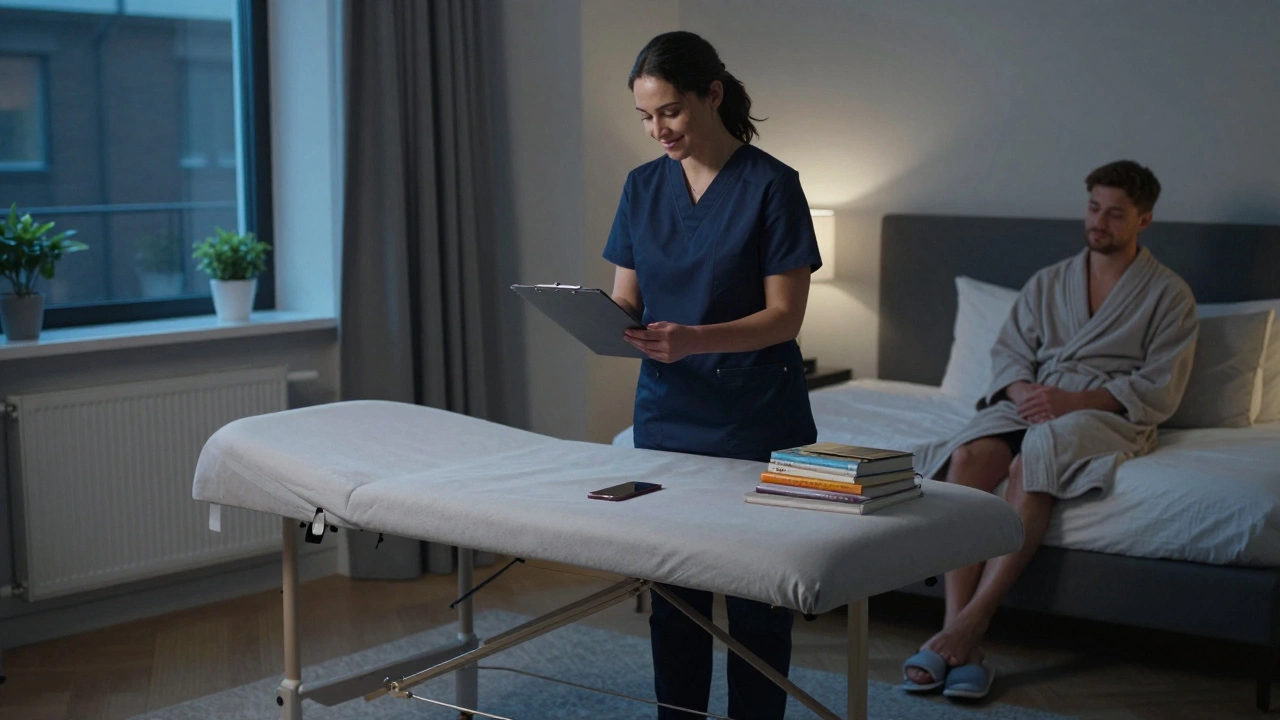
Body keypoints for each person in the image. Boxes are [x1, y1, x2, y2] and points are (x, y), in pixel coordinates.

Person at [903, 160, 1200, 699]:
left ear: (1145, 219)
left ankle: (975, 623)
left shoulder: (1169, 295)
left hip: (1106, 413)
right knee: (967, 456)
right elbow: (1011, 354)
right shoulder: (1049, 281)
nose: (1099, 222)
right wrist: (1024, 393)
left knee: (1034, 456)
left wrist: (1073, 400)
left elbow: (1160, 387)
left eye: (1115, 214)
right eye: (1093, 208)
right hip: (1035, 399)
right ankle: (955, 629)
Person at [603, 31, 823, 720]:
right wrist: (593, 320)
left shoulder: (773, 186)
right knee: (675, 604)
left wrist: (695, 338)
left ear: (713, 95)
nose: (656, 130)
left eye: (669, 111)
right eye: (644, 117)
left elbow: (785, 317)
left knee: (758, 608)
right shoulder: (642, 187)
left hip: (755, 417)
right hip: (668, 416)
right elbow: (626, 301)